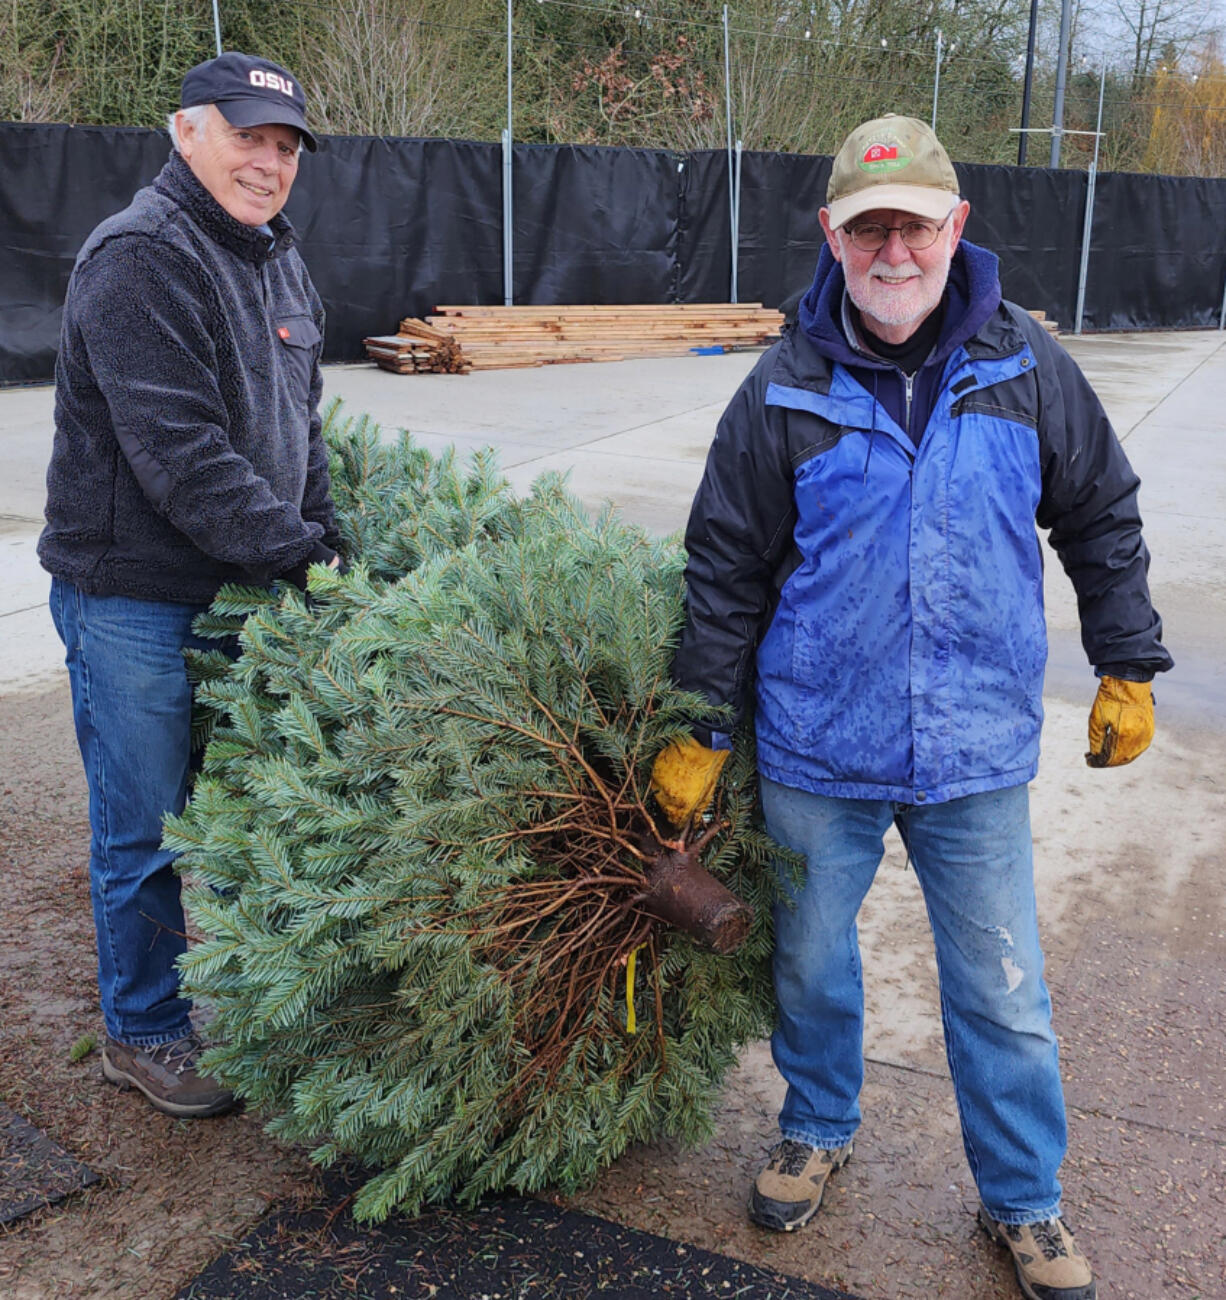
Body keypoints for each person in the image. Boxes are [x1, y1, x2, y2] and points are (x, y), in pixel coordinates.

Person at [651, 114, 1171, 1300]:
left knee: (999, 988)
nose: (895, 249)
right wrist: (703, 723)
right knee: (813, 967)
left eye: (914, 225)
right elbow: (724, 562)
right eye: (868, 225)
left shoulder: (1025, 365)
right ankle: (816, 1123)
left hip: (973, 749)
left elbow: (1100, 515)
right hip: (815, 746)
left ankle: (1023, 1201)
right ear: (831, 236)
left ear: (956, 229)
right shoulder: (782, 383)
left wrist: (1124, 661)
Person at [39, 52, 342, 1119]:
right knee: (145, 825)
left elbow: (299, 426)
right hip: (134, 597)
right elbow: (181, 451)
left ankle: (250, 1001)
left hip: (236, 588)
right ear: (184, 131)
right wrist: (301, 556)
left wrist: (325, 530)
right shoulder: (138, 258)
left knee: (248, 813)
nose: (267, 162)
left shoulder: (276, 259)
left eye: (284, 144)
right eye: (246, 135)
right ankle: (145, 1030)